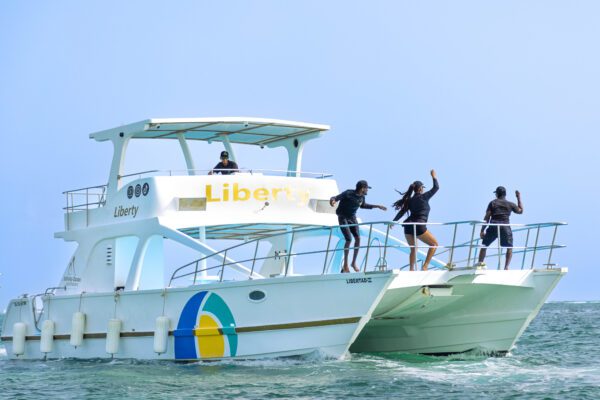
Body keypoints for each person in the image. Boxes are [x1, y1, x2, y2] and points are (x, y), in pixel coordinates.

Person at [330, 180, 387, 273]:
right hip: (343, 217)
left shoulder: (362, 197)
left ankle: (353, 263)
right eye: (367, 188)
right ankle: (345, 265)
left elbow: (363, 206)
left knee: (358, 238)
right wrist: (332, 201)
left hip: (352, 218)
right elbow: (335, 198)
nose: (367, 190)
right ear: (362, 188)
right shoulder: (348, 193)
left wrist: (377, 206)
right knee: (349, 239)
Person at [392, 169, 439, 271]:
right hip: (418, 225)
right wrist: (434, 176)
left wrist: (393, 222)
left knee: (413, 248)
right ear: (421, 188)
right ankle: (425, 266)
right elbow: (436, 187)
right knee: (434, 244)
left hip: (408, 227)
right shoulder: (424, 197)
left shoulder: (410, 200)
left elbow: (402, 212)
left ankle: (411, 270)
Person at [477, 186, 523, 269]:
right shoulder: (510, 204)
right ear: (505, 194)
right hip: (505, 227)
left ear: (497, 194)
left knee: (484, 246)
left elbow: (487, 217)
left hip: (493, 226)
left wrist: (482, 230)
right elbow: (520, 211)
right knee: (509, 247)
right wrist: (518, 197)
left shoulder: (493, 203)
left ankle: (480, 264)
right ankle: (506, 267)